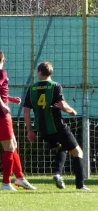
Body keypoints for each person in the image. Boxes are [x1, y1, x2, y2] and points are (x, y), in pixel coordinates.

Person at [24, 61, 89, 191]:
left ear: (39, 72)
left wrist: (30, 130)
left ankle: (58, 174)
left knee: (63, 147)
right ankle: (80, 185)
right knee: (77, 152)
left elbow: (26, 111)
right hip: (56, 125)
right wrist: (71, 111)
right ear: (50, 72)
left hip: (42, 128)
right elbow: (62, 105)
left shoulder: (32, 88)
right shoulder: (55, 86)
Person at [0, 50, 35, 191]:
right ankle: (6, 183)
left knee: (13, 144)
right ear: (3, 60)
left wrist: (10, 99)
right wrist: (4, 105)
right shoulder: (2, 73)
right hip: (1, 114)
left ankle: (20, 178)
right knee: (9, 148)